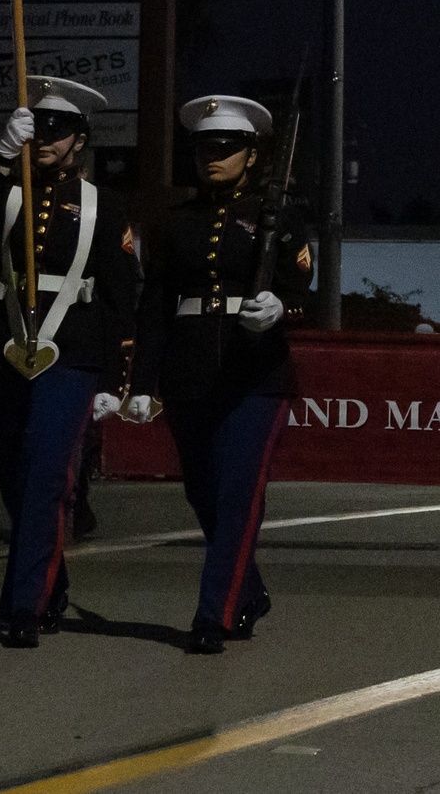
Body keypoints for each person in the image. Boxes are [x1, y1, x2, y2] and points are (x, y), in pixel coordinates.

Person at [126, 95, 313, 654]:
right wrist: (140, 384)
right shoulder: (177, 223)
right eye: (205, 146)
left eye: (226, 148)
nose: (213, 156)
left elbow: (303, 290)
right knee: (202, 493)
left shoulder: (277, 215)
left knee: (237, 495)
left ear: (252, 155)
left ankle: (215, 614)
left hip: (255, 374)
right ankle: (248, 590)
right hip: (189, 373)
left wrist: (282, 308)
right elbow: (157, 307)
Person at [0, 77, 139, 647]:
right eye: (36, 129)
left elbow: (120, 296)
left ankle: (25, 606)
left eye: (56, 130)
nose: (44, 139)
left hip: (72, 352)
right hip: (7, 348)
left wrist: (119, 377)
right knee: (15, 479)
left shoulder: (106, 206)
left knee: (45, 475)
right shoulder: (8, 191)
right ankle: (49, 579)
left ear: (80, 139)